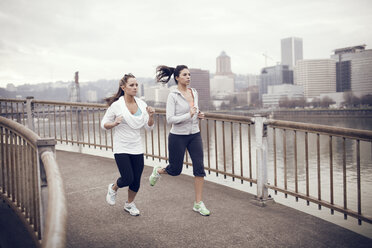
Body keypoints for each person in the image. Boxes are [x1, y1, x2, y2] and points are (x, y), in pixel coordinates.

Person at [149, 65, 210, 216]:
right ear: (177, 77)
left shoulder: (194, 92)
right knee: (175, 170)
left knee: (199, 169)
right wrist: (188, 115)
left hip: (194, 134)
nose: (188, 77)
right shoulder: (173, 96)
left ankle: (198, 203)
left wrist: (199, 114)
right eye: (185, 75)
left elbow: (194, 110)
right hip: (178, 136)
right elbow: (170, 119)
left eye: (189, 74)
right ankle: (158, 171)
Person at [101, 73, 155, 216]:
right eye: (131, 85)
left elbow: (149, 128)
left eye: (136, 84)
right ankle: (113, 188)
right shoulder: (116, 105)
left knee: (136, 180)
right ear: (123, 87)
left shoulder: (142, 104)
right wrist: (114, 123)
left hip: (136, 147)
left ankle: (129, 204)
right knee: (127, 178)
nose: (135, 87)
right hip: (122, 147)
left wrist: (151, 117)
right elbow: (103, 124)